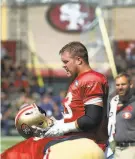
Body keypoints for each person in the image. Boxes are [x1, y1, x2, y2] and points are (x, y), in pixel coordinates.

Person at [1, 41, 109, 159]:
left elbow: (92, 119)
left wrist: (62, 127)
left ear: (79, 60)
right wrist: (58, 124)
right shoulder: (79, 80)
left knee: (29, 150)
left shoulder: (91, 79)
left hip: (87, 144)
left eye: (66, 62)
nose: (64, 65)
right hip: (76, 141)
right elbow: (77, 116)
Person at [108, 72, 135, 159]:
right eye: (117, 85)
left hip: (131, 149)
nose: (120, 87)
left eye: (123, 84)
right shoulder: (113, 102)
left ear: (130, 84)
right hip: (115, 149)